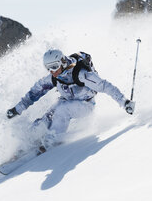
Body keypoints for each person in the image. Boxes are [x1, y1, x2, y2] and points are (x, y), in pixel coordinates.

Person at [7, 49, 135, 153]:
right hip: (66, 102)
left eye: (54, 67)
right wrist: (17, 109)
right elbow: (34, 92)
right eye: (48, 68)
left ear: (62, 62)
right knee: (45, 120)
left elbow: (105, 86)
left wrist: (124, 102)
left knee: (62, 111)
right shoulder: (54, 77)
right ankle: (27, 144)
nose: (52, 71)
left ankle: (52, 142)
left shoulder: (81, 74)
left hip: (85, 105)